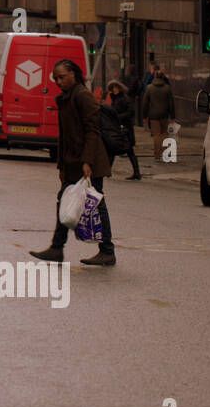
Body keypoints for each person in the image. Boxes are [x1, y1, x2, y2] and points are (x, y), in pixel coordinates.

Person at [31, 59, 116, 267]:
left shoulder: (82, 96)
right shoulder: (68, 97)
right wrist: (61, 165)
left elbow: (92, 130)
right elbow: (66, 136)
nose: (59, 81)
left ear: (73, 75)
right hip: (72, 162)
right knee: (64, 201)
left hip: (88, 162)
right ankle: (57, 248)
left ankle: (107, 251)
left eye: (62, 77)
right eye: (56, 78)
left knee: (97, 205)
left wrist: (87, 161)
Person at [140, 65, 176, 162]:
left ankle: (157, 154)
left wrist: (144, 116)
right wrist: (172, 116)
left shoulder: (149, 88)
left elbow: (145, 103)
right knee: (164, 133)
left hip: (153, 115)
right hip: (164, 114)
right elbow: (171, 103)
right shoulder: (167, 88)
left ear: (155, 77)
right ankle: (165, 152)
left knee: (156, 134)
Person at [106, 80, 140, 180]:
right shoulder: (114, 98)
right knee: (113, 148)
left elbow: (130, 112)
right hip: (118, 127)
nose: (114, 90)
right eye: (113, 88)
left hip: (125, 127)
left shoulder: (125, 98)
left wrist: (118, 117)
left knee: (128, 150)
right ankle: (108, 171)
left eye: (116, 88)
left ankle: (137, 172)